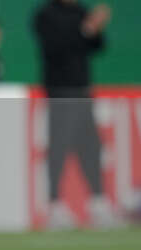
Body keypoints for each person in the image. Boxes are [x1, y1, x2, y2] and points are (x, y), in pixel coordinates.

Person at [34, 0, 115, 229]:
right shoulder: (46, 15)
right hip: (60, 90)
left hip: (82, 90)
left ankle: (98, 202)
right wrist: (86, 28)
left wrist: (94, 28)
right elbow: (56, 46)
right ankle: (54, 205)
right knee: (59, 147)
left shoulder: (81, 11)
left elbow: (97, 46)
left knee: (91, 145)